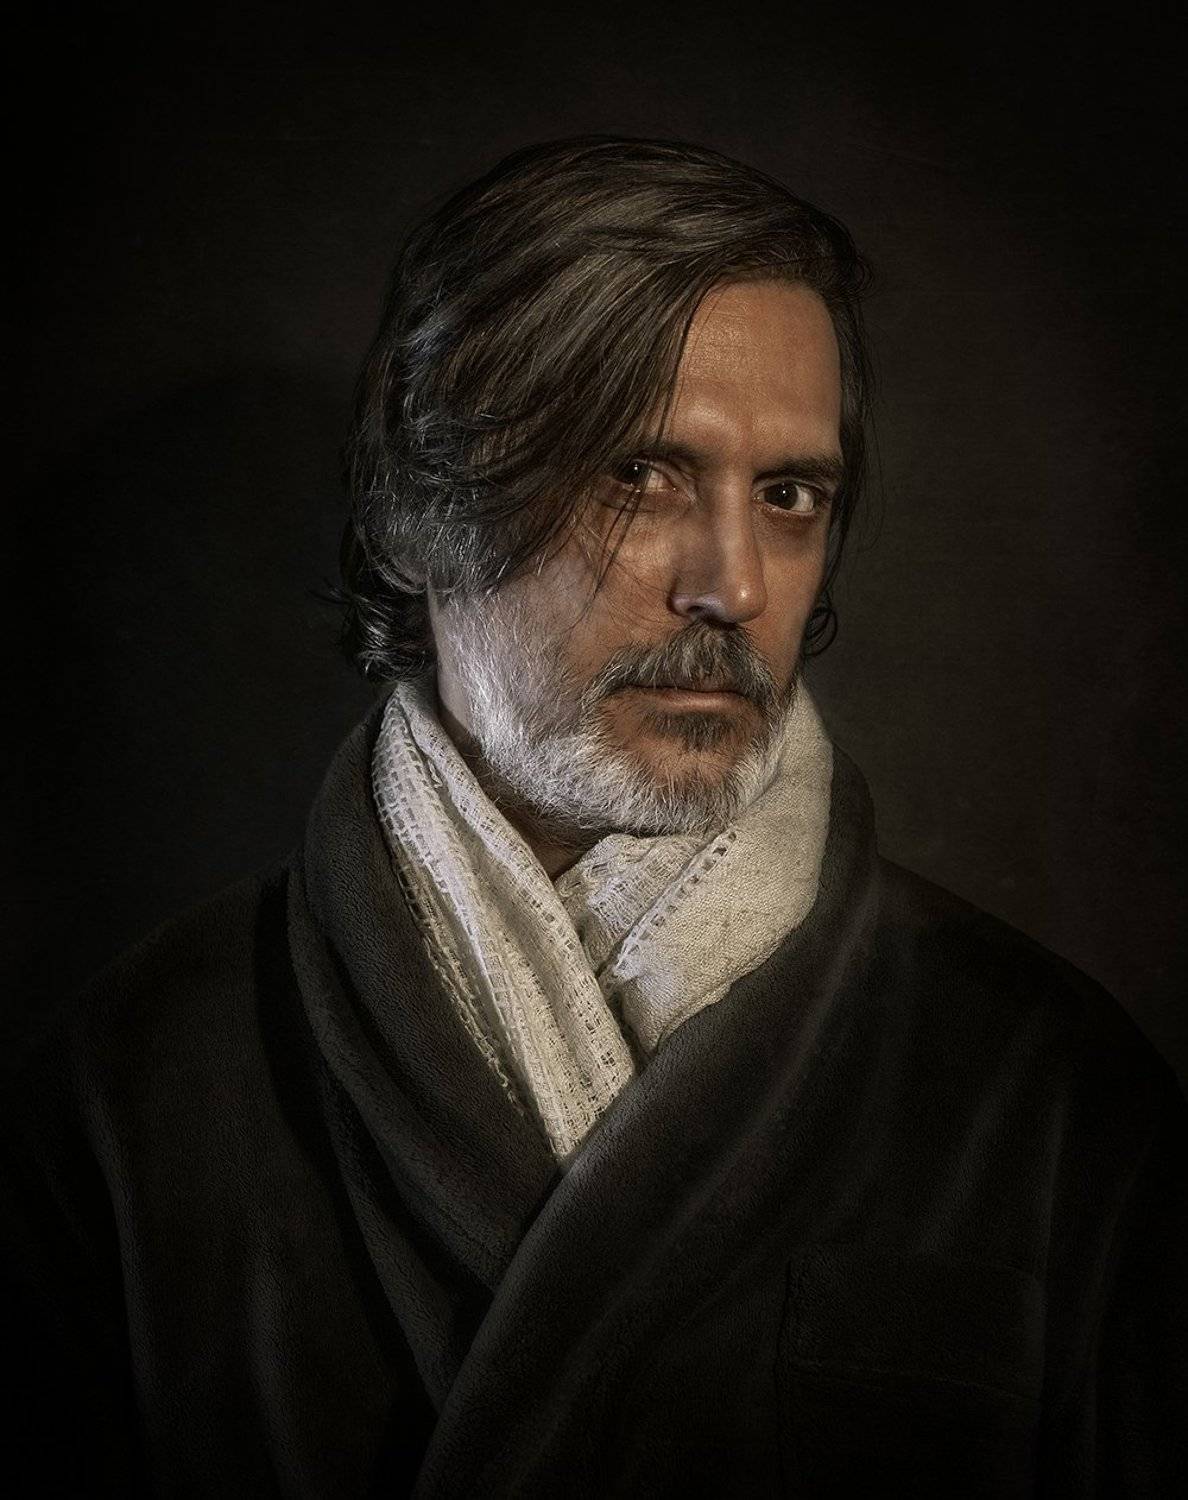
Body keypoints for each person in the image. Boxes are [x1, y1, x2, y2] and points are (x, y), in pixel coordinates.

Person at [4, 136, 1185, 1498]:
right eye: (638, 474)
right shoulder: (128, 1101)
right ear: (422, 515)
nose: (733, 587)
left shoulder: (1045, 1092)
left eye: (788, 496)